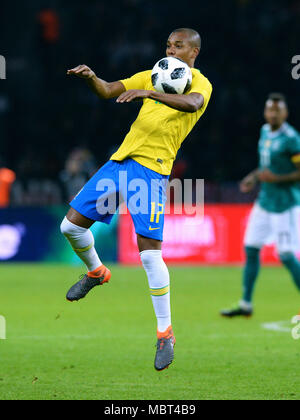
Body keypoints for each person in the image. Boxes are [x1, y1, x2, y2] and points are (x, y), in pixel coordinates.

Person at [61, 28, 212, 370]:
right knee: (69, 227)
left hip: (151, 172)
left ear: (194, 51)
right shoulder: (156, 72)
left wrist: (149, 92)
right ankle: (96, 272)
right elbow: (109, 90)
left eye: (178, 45)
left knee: (149, 255)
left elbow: (193, 104)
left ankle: (165, 333)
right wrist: (92, 78)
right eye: (168, 44)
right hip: (119, 164)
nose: (170, 49)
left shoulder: (199, 82)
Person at [221, 93, 300, 318]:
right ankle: (246, 304)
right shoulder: (265, 132)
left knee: (285, 255)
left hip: (285, 205)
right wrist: (253, 177)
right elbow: (264, 167)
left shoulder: (292, 139)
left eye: (277, 110)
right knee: (251, 247)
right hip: (265, 202)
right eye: (270, 110)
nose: (273, 113)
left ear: (285, 113)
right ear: (266, 112)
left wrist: (277, 179)